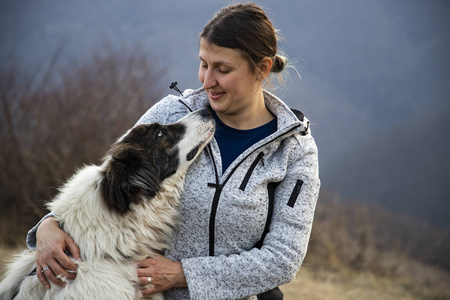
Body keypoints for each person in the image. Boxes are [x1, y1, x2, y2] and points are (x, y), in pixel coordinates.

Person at [27, 3, 320, 299]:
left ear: (262, 68)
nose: (207, 81)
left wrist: (182, 274)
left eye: (223, 69)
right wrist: (48, 225)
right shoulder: (171, 114)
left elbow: (282, 259)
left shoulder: (294, 150)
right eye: (204, 64)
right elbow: (115, 185)